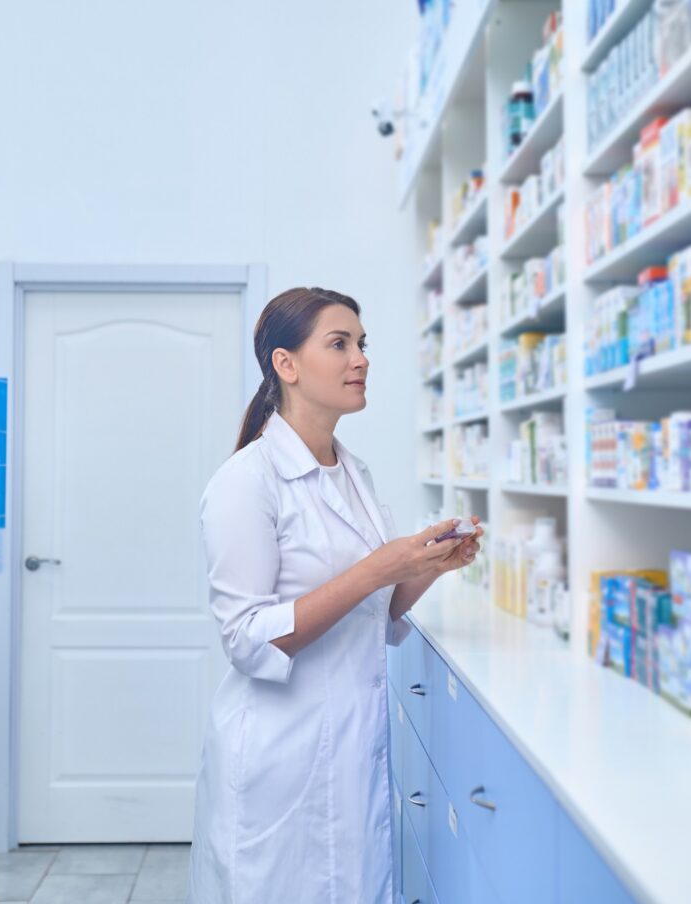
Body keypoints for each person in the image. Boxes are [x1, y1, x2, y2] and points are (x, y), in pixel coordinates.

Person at [188, 287, 482, 902]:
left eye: (362, 344)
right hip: (281, 755)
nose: (362, 359)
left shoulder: (354, 474)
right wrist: (377, 568)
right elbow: (245, 639)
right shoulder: (246, 482)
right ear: (286, 365)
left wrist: (428, 566)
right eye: (339, 343)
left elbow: (377, 611)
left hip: (349, 751)